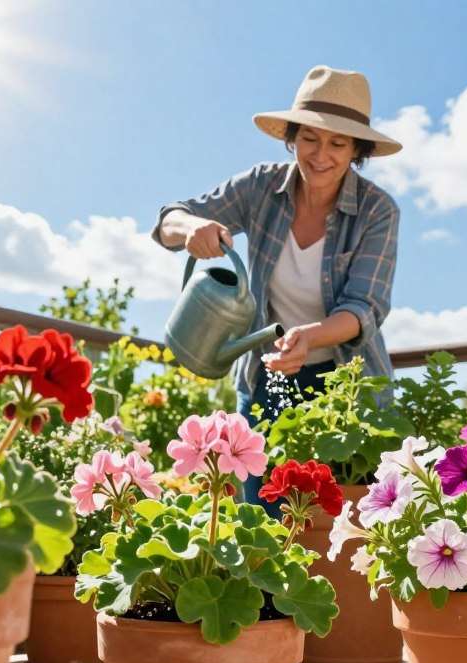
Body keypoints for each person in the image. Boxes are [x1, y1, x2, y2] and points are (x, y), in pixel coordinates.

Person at [151, 66, 404, 511]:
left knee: (340, 518)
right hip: (266, 375)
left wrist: (308, 337)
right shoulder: (260, 187)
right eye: (309, 138)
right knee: (264, 515)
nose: (320, 154)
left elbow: (364, 308)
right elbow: (170, 219)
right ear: (292, 138)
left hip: (348, 385)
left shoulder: (377, 210)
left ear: (357, 150)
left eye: (338, 143)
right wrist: (191, 227)